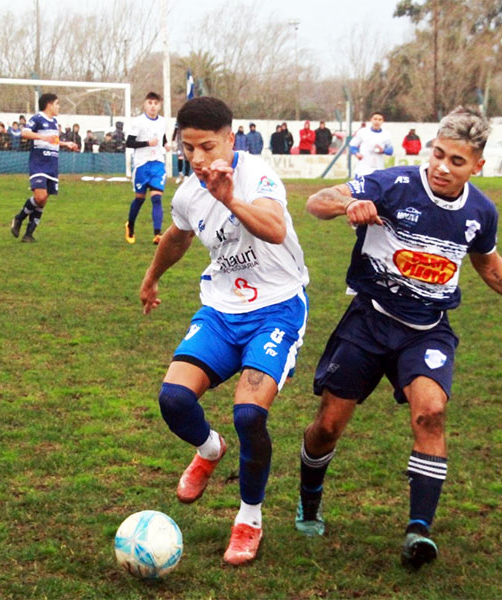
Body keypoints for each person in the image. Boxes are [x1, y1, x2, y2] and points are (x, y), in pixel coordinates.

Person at [294, 105, 502, 569]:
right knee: (327, 427)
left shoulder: (481, 211)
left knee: (432, 414)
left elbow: (487, 263)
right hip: (368, 320)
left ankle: (418, 531)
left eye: (456, 161)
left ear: (477, 166)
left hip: (427, 331)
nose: (442, 166)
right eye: (438, 154)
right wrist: (349, 204)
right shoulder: (394, 184)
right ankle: (310, 499)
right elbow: (316, 201)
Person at [138, 96, 310, 566]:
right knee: (173, 399)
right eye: (187, 148)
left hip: (276, 310)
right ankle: (209, 449)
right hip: (220, 310)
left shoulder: (257, 175)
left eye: (207, 146)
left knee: (249, 417)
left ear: (231, 139)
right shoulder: (188, 191)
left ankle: (249, 518)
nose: (196, 158)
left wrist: (229, 198)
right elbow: (177, 235)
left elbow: (274, 228)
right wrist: (152, 278)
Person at [9, 93, 79, 243]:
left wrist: (66, 144)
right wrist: (41, 137)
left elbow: (53, 140)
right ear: (49, 104)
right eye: (57, 103)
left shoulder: (54, 122)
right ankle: (19, 218)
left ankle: (29, 234)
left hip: (52, 164)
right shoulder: (37, 119)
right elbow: (24, 133)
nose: (59, 106)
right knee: (39, 196)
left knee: (44, 199)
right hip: (39, 163)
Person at [124, 91, 171, 245]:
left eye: (156, 104)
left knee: (157, 197)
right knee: (140, 199)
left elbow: (162, 137)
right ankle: (130, 225)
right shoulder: (138, 122)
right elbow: (129, 143)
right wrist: (146, 143)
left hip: (157, 163)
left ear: (159, 106)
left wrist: (166, 144)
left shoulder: (163, 122)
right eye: (150, 103)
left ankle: (157, 234)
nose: (152, 106)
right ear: (145, 104)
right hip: (142, 164)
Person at [349, 111, 394, 176]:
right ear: (371, 120)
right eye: (375, 119)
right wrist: (356, 153)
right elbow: (352, 146)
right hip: (363, 169)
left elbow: (390, 151)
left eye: (379, 120)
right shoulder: (363, 132)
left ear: (382, 121)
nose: (377, 122)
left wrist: (383, 150)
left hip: (378, 168)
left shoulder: (386, 134)